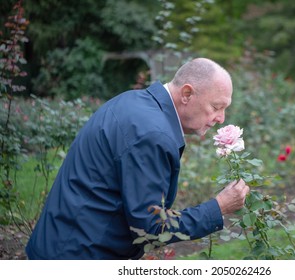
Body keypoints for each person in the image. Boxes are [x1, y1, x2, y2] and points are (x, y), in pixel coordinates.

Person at [25, 57, 250, 260]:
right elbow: (151, 227)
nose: (221, 118)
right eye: (216, 107)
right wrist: (218, 207)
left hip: (62, 242)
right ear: (187, 94)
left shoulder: (134, 101)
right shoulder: (152, 134)